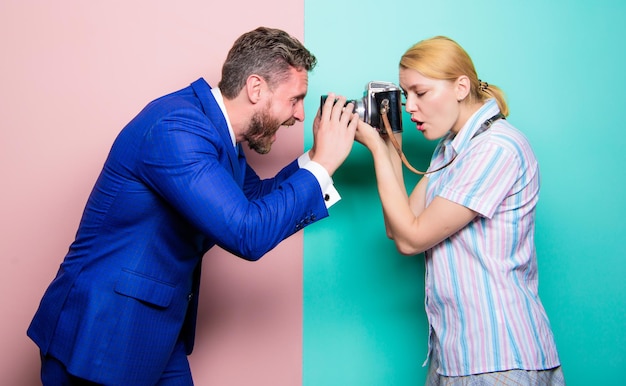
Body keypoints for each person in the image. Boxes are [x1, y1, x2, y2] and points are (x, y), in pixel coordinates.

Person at [27, 26, 358, 385]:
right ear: (256, 88)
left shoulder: (217, 133)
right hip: (104, 329)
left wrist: (315, 159)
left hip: (154, 326)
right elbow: (247, 232)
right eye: (295, 99)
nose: (299, 115)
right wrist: (323, 165)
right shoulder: (178, 129)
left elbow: (251, 202)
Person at [355, 36, 565, 385]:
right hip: (456, 355)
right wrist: (390, 144)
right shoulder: (451, 149)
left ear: (461, 87)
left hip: (499, 356)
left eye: (421, 93)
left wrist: (378, 151)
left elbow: (412, 239)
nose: (409, 106)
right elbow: (399, 225)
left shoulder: (495, 148)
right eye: (406, 96)